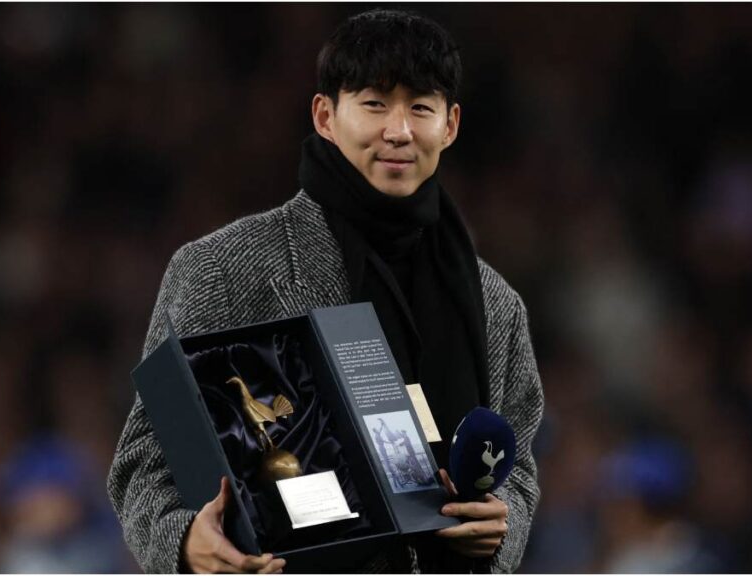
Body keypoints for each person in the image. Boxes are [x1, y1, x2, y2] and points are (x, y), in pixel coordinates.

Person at [108, 8, 544, 573]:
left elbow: (520, 465)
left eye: (420, 107)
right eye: (374, 103)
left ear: (450, 124)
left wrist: (502, 522)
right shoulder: (223, 268)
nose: (398, 130)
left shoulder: (495, 303)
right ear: (325, 115)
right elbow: (144, 458)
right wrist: (184, 543)